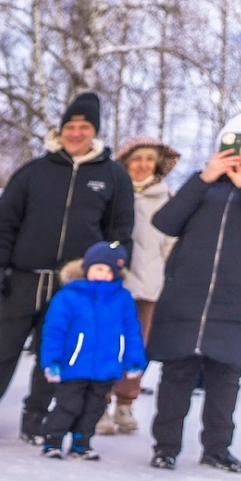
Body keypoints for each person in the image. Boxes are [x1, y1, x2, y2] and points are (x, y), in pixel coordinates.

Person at [0, 93, 134, 445]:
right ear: (60, 131)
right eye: (70, 126)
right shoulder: (33, 172)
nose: (75, 133)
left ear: (94, 131)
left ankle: (35, 418)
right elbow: (4, 223)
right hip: (24, 279)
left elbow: (120, 232)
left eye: (83, 127)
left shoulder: (113, 176)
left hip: (73, 288)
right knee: (3, 352)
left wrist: (113, 269)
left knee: (51, 354)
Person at [148, 110, 241, 474]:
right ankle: (165, 447)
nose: (237, 149)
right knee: (176, 375)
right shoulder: (204, 183)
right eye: (230, 141)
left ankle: (217, 449)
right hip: (187, 295)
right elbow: (166, 222)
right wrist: (203, 178)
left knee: (225, 378)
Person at [97, 136, 179, 437]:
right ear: (126, 163)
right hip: (115, 285)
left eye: (149, 159)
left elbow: (171, 245)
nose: (143, 165)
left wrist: (171, 278)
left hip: (150, 286)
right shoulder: (114, 195)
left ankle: (125, 402)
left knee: (136, 347)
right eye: (137, 158)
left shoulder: (168, 199)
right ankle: (100, 403)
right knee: (106, 343)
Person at [39, 242, 145, 458]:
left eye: (108, 271)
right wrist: (52, 361)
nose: (102, 275)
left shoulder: (122, 298)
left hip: (105, 367)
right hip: (73, 365)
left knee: (94, 408)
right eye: (98, 268)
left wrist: (134, 360)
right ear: (86, 267)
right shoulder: (69, 296)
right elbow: (54, 331)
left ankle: (81, 442)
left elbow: (131, 331)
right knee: (69, 405)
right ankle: (53, 440)